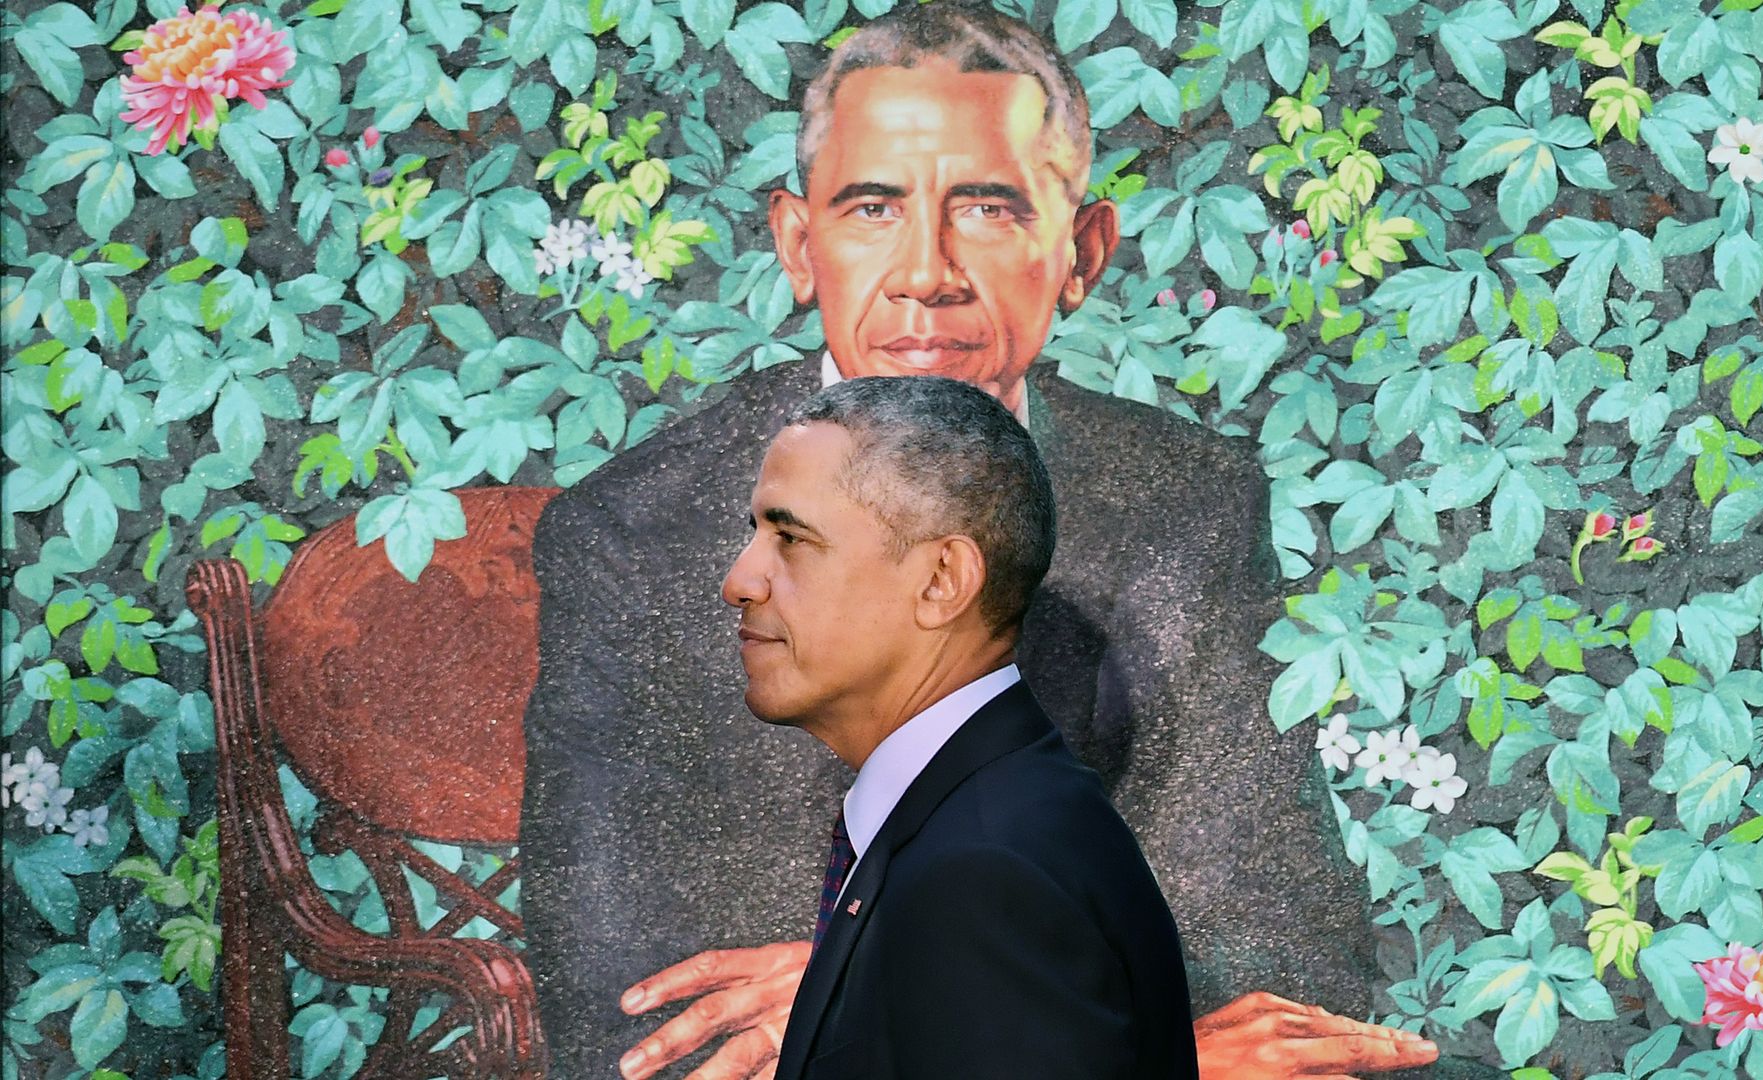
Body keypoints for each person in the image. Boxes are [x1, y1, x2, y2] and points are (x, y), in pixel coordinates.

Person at [519, 5, 1442, 1079]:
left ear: (1081, 252)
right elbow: (628, 996)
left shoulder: (1189, 498)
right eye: (872, 207)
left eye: (989, 210)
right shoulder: (632, 527)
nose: (927, 273)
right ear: (798, 243)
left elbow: (1287, 932)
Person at [726, 375, 1199, 1079]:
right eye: (756, 533)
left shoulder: (984, 873)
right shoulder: (988, 822)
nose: (740, 579)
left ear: (942, 579)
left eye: (791, 537)